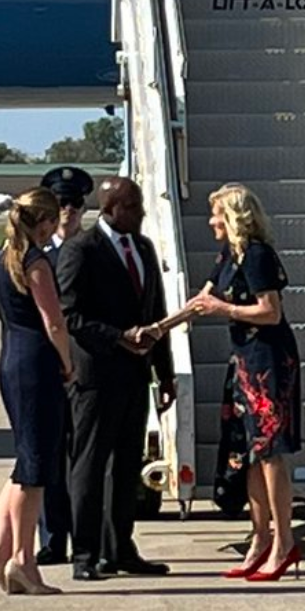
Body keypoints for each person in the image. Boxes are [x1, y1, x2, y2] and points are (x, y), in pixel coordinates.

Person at [57, 176, 175, 581]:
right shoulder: (81, 251)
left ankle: (120, 547)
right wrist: (118, 338)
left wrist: (165, 373)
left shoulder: (142, 247)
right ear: (109, 210)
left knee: (125, 467)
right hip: (96, 374)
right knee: (90, 466)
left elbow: (155, 314)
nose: (141, 214)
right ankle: (85, 554)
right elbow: (70, 316)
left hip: (134, 375)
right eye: (133, 207)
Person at [187, 183, 303, 582]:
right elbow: (203, 298)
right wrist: (158, 328)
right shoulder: (229, 256)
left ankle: (285, 542)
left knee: (270, 453)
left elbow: (270, 312)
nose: (210, 222)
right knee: (248, 451)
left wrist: (225, 308)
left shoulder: (256, 255)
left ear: (234, 217)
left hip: (268, 361)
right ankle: (260, 537)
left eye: (216, 214)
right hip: (243, 361)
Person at [0, 188, 73, 596]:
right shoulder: (34, 261)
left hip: (10, 360)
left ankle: (2, 554)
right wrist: (68, 364)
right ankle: (24, 560)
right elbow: (53, 322)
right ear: (45, 223)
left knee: (23, 462)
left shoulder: (0, 256)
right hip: (37, 364)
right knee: (35, 470)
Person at [34, 165, 95, 567]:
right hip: (51, 367)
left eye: (75, 203)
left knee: (86, 456)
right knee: (50, 455)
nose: (69, 211)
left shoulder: (95, 250)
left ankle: (88, 539)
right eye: (61, 203)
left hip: (88, 367)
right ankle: (54, 539)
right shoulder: (40, 257)